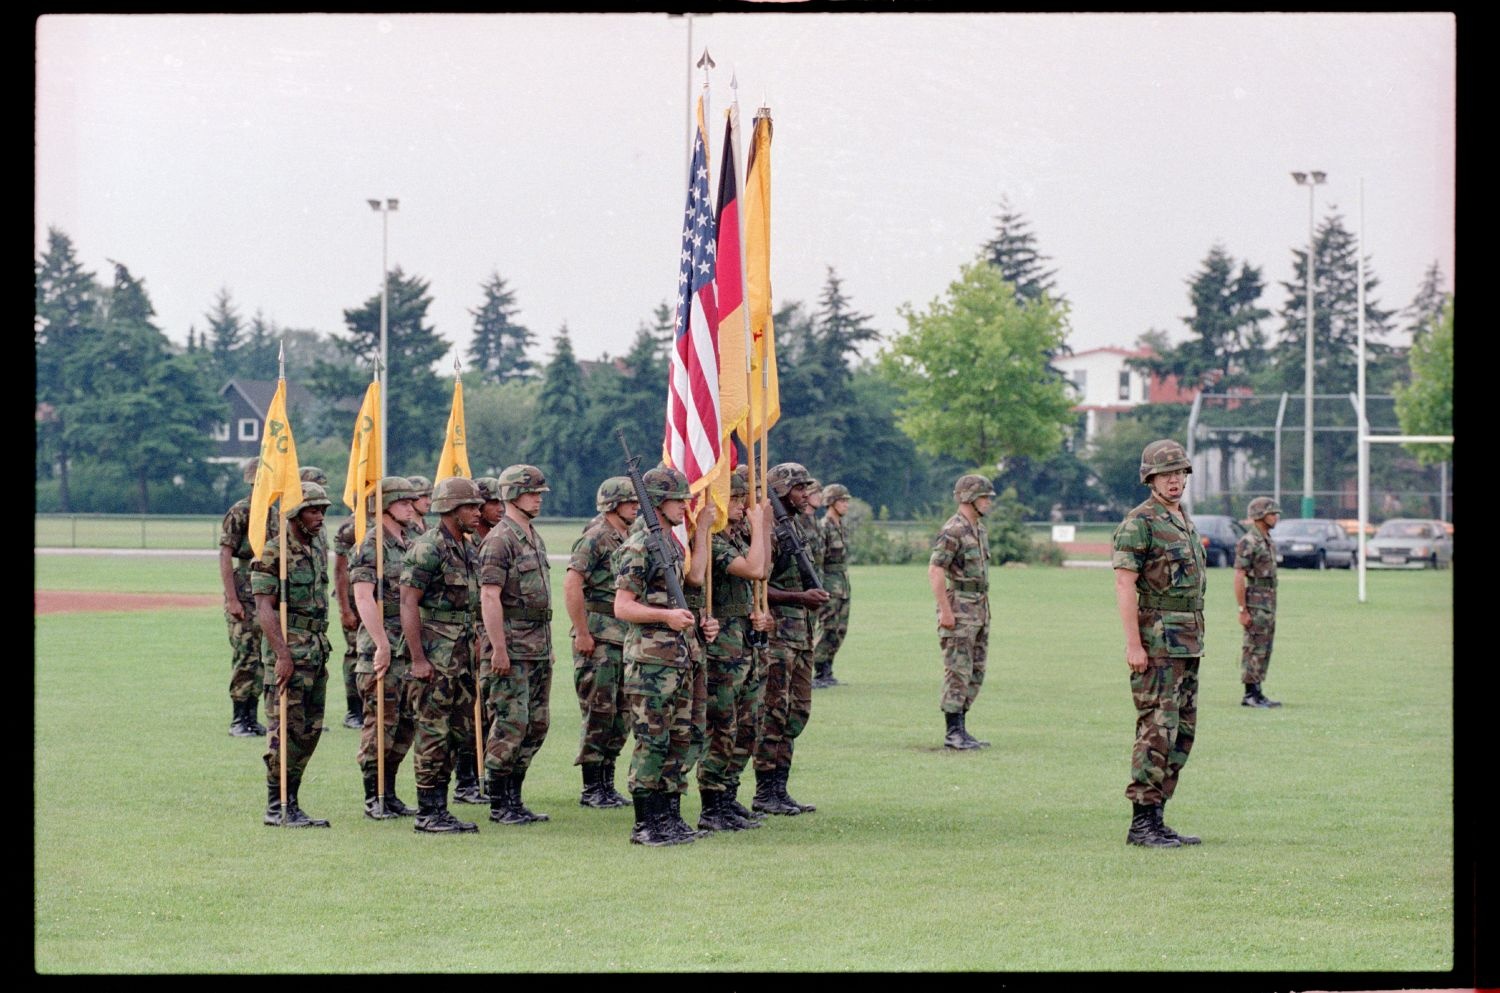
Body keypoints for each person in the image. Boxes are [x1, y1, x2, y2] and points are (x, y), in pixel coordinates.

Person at [613, 465, 718, 845]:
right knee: (652, 741)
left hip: (680, 657)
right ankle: (645, 824)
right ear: (658, 502)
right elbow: (622, 607)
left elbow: (689, 584)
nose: (686, 505)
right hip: (651, 663)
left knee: (680, 738)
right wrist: (666, 617)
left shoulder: (670, 542)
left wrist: (695, 621)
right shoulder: (639, 545)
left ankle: (669, 816)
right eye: (679, 499)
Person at [1110, 439, 1206, 848]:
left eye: (1179, 473)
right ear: (1149, 477)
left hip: (1188, 643)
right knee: (1156, 730)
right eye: (1166, 474)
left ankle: (1159, 817)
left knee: (1181, 733)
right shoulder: (1140, 523)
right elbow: (1124, 584)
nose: (1174, 481)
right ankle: (1141, 823)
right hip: (1157, 644)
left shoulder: (1182, 519)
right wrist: (1134, 645)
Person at [398, 476, 484, 834]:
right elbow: (407, 602)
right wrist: (418, 659)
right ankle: (428, 811)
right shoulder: (428, 547)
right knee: (433, 732)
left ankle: (442, 807)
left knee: (459, 732)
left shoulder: (466, 547)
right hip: (435, 656)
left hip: (462, 657)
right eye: (471, 506)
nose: (478, 512)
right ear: (450, 509)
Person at [251, 481, 334, 828]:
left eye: (323, 511)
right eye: (313, 510)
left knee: (308, 731)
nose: (320, 517)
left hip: (315, 651)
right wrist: (282, 654)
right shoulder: (275, 552)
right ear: (295, 514)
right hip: (289, 654)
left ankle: (294, 801)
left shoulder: (316, 547)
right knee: (284, 729)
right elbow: (264, 609)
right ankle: (277, 806)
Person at [696, 464, 773, 832]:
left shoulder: (739, 537)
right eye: (738, 499)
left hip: (745, 642)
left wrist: (758, 613)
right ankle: (713, 803)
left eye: (745, 499)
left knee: (748, 724)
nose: (744, 506)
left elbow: (765, 568)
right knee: (721, 726)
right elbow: (755, 569)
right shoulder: (715, 542)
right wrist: (761, 527)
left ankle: (729, 794)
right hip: (724, 649)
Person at [478, 464, 556, 826]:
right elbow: (490, 597)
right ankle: (498, 801)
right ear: (512, 495)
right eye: (531, 493)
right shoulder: (499, 539)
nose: (537, 498)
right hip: (511, 646)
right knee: (511, 723)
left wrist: (548, 645)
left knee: (536, 725)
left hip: (536, 646)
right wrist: (498, 649)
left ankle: (515, 796)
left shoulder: (532, 535)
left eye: (539, 493)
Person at [752, 462, 829, 816]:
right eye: (798, 488)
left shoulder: (795, 526)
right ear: (782, 490)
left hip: (800, 635)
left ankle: (780, 788)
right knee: (774, 712)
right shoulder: (770, 531)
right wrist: (801, 598)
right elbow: (759, 586)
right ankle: (765, 790)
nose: (804, 495)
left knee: (797, 711)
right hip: (778, 634)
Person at [563, 476, 639, 810]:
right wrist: (581, 632)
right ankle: (593, 786)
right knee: (599, 711)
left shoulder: (628, 536)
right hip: (599, 636)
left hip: (623, 635)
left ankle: (608, 782)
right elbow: (571, 584)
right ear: (612, 504)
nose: (635, 506)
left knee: (621, 714)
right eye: (629, 501)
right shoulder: (594, 537)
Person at [349, 476, 420, 819]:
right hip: (382, 644)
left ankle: (389, 791)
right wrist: (380, 644)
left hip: (410, 646)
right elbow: (363, 596)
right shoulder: (371, 544)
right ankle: (372, 796)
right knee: (380, 723)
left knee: (405, 724)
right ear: (385, 505)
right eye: (404, 501)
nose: (411, 506)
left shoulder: (412, 540)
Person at [928, 474, 994, 751]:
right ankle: (952, 732)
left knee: (975, 669)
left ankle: (963, 729)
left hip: (979, 605)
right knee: (958, 669)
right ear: (969, 498)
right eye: (984, 497)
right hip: (959, 606)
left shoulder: (977, 529)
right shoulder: (953, 530)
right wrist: (945, 611)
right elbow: (936, 570)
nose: (989, 502)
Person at [218, 457, 274, 737]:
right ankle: (239, 718)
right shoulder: (240, 512)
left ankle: (253, 716)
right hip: (244, 589)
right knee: (245, 655)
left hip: (267, 593)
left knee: (263, 657)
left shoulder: (274, 514)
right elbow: (225, 554)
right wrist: (232, 599)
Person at [1235, 497, 1282, 709]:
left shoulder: (1267, 540)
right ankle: (1249, 694)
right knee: (1253, 646)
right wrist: (1242, 609)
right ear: (1260, 516)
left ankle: (1258, 691)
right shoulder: (1249, 541)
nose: (1276, 517)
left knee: (1264, 646)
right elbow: (1239, 575)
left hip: (1268, 600)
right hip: (1255, 600)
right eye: (1272, 513)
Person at [812, 483, 853, 689]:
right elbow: (819, 560)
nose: (846, 504)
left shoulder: (842, 526)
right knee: (827, 627)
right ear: (831, 503)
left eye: (846, 501)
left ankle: (828, 669)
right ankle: (818, 670)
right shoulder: (824, 526)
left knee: (839, 629)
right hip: (828, 581)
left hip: (842, 583)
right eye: (842, 500)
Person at [330, 504, 365, 733]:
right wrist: (344, 609)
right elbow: (340, 571)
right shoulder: (351, 528)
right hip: (354, 600)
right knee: (355, 653)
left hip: (379, 599)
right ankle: (355, 710)